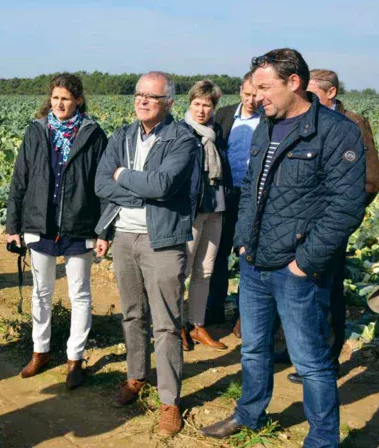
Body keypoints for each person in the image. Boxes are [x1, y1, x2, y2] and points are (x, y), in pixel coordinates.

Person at [201, 49, 367, 447]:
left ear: (294, 83)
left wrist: (304, 263)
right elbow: (253, 193)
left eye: (264, 87)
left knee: (310, 362)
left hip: (297, 271)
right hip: (256, 263)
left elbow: (345, 207)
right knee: (254, 351)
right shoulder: (264, 126)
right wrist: (242, 243)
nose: (256, 97)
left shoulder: (335, 131)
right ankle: (249, 414)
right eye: (254, 88)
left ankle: (323, 438)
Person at [94, 71, 199, 437]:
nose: (142, 101)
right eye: (139, 94)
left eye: (151, 97)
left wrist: (124, 176)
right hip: (124, 236)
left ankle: (170, 400)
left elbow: (165, 184)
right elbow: (100, 183)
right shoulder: (122, 136)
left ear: (169, 103)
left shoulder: (182, 139)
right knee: (132, 314)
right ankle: (136, 377)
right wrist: (137, 187)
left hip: (163, 240)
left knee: (167, 323)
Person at [276, 69, 379, 385]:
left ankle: (326, 360)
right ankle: (299, 351)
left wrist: (338, 213)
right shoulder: (306, 119)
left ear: (331, 92)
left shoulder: (353, 123)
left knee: (328, 290)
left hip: (329, 224)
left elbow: (370, 180)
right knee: (298, 288)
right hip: (298, 221)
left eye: (312, 93)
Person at [6, 73, 108, 389]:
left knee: (79, 293)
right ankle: (41, 351)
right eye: (55, 98)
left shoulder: (93, 135)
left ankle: (75, 358)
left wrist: (104, 230)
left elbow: (104, 186)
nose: (59, 103)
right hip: (41, 224)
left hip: (79, 225)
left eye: (65, 98)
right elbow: (19, 179)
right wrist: (13, 227)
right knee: (41, 293)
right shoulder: (37, 132)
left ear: (78, 100)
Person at [207, 72, 261, 332]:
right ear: (240, 91)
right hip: (225, 195)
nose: (251, 100)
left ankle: (243, 315)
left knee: (247, 255)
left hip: (253, 199)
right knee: (216, 253)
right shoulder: (225, 115)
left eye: (256, 95)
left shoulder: (269, 120)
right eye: (247, 94)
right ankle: (213, 309)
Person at [179, 80, 229, 351]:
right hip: (192, 211)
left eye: (207, 105)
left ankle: (197, 326)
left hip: (216, 208)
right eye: (197, 104)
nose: (201, 110)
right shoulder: (181, 132)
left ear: (213, 107)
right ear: (190, 104)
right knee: (183, 269)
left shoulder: (216, 133)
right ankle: (176, 326)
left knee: (205, 271)